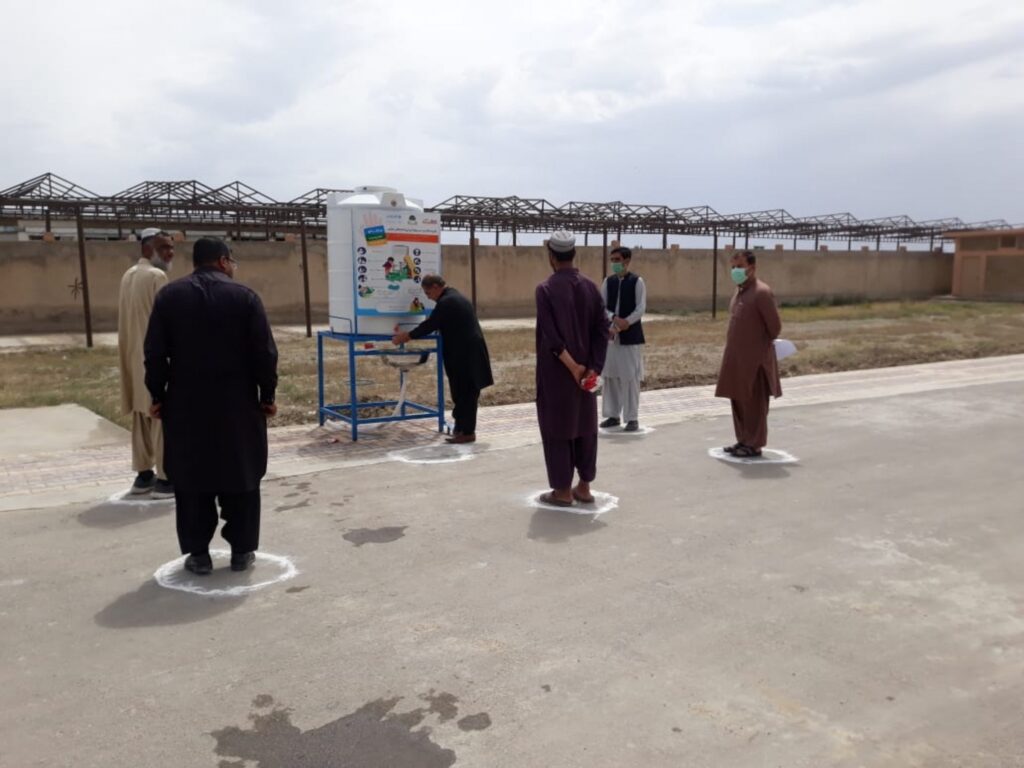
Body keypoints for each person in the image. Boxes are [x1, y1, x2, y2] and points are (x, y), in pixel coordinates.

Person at [144, 238, 278, 575]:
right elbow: (264, 353)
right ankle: (242, 551)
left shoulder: (170, 297)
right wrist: (267, 397)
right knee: (242, 475)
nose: (233, 267)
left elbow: (155, 353)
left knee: (192, 477)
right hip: (238, 403)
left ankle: (198, 554)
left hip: (187, 404)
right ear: (222, 261)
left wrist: (157, 395)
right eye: (232, 261)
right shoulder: (245, 297)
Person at [534, 230, 609, 507]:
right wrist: (593, 368)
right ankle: (585, 486)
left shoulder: (545, 290)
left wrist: (573, 367)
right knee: (585, 426)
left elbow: (552, 338)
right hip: (587, 376)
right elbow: (603, 330)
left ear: (551, 257)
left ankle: (562, 491)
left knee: (557, 427)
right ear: (573, 254)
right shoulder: (591, 287)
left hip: (558, 375)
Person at [391, 274, 493, 444]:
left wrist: (406, 336)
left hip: (466, 354)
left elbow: (430, 325)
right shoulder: (453, 298)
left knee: (466, 392)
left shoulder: (448, 302)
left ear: (437, 287)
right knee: (460, 391)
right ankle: (461, 428)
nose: (427, 296)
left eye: (428, 292)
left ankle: (467, 432)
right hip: (463, 352)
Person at [118, 228, 175, 497]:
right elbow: (167, 323)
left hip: (132, 358)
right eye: (164, 248)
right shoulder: (156, 276)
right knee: (160, 416)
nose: (169, 253)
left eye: (171, 248)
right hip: (152, 359)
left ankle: (143, 475)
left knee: (141, 417)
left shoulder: (128, 276)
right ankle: (165, 479)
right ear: (147, 249)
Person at [714, 250, 782, 458]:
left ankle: (754, 444)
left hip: (755, 362)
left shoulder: (762, 292)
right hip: (736, 361)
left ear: (752, 268)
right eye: (733, 267)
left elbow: (775, 328)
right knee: (738, 402)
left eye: (740, 266)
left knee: (754, 405)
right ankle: (743, 440)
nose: (735, 271)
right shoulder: (739, 292)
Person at [599, 246, 646, 432]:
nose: (614, 263)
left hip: (630, 336)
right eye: (612, 260)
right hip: (611, 336)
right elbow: (601, 306)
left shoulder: (637, 281)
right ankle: (612, 415)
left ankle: (632, 418)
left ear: (627, 260)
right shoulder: (607, 282)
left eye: (617, 259)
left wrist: (626, 322)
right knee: (610, 377)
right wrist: (613, 320)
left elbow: (641, 308)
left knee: (630, 377)